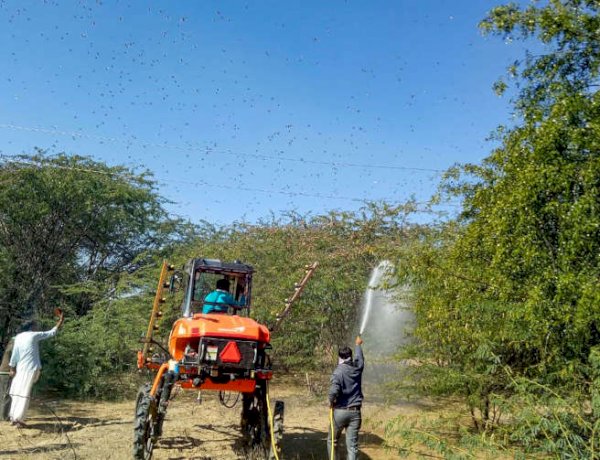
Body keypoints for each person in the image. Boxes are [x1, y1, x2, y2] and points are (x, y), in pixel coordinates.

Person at [8, 311, 64, 427]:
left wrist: (12, 368)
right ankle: (19, 420)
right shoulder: (33, 335)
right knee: (24, 393)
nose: (37, 327)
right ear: (32, 327)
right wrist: (60, 321)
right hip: (30, 369)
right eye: (35, 326)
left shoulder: (18, 337)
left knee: (17, 392)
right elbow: (51, 333)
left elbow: (15, 354)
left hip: (20, 369)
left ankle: (13, 417)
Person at [327, 335, 364, 460]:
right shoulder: (357, 368)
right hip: (356, 413)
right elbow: (360, 359)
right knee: (352, 446)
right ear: (350, 356)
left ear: (339, 357)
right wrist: (358, 345)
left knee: (332, 441)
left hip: (340, 412)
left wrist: (331, 401)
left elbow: (333, 390)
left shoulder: (338, 371)